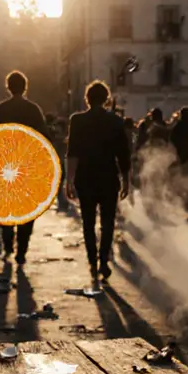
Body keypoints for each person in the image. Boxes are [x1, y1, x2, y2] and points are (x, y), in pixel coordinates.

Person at [65, 81, 132, 287]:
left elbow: (73, 152)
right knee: (107, 222)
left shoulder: (77, 120)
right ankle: (104, 260)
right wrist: (126, 180)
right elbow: (123, 154)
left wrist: (69, 180)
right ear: (106, 99)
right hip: (108, 177)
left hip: (85, 178)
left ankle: (92, 261)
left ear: (87, 98)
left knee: (88, 222)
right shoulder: (115, 121)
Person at [0, 70, 48, 264]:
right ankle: (22, 247)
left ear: (8, 87)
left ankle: (7, 242)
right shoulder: (33, 109)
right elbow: (43, 137)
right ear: (25, 86)